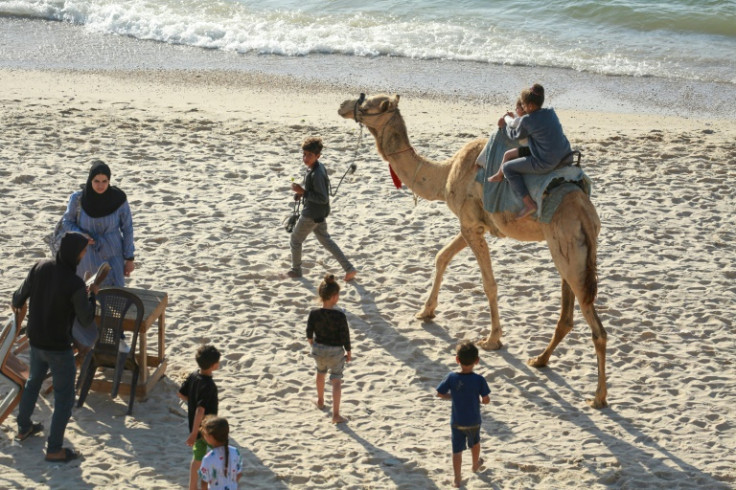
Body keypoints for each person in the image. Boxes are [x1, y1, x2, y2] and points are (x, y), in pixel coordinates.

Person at [11, 232, 100, 463]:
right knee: (64, 398)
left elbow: (17, 298)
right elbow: (86, 319)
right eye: (82, 252)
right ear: (74, 254)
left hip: (36, 340)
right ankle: (55, 449)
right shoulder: (75, 283)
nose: (83, 256)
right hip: (59, 348)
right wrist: (93, 297)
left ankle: (23, 427)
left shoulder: (39, 267)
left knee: (33, 383)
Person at [487, 84, 573, 219]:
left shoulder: (528, 120)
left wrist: (504, 124)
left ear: (531, 106)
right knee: (512, 154)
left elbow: (514, 135)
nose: (524, 108)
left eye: (525, 105)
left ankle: (529, 204)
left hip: (545, 161)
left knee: (508, 168)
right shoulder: (550, 112)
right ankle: (499, 175)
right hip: (565, 155)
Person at [287, 137, 357, 281]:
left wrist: (303, 192)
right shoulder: (316, 167)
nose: (305, 158)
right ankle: (349, 269)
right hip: (320, 213)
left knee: (295, 239)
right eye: (304, 154)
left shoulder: (316, 173)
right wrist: (302, 194)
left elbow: (323, 198)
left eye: (309, 155)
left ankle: (296, 270)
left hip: (312, 214)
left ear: (318, 156)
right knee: (326, 241)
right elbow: (317, 193)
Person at [62, 159, 135, 287]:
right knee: (88, 294)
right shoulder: (77, 199)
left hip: (114, 254)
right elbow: (67, 222)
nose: (100, 186)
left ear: (109, 181)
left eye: (104, 181)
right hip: (87, 255)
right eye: (96, 181)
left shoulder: (119, 199)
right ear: (90, 180)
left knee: (115, 294)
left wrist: (129, 258)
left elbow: (127, 228)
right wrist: (82, 235)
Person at [436, 341, 491, 488]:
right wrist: (481, 400)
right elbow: (486, 400)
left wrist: (452, 396)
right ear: (477, 361)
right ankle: (475, 465)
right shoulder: (479, 380)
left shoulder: (451, 377)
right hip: (474, 421)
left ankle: (457, 479)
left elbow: (440, 393)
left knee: (457, 451)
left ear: (457, 360)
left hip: (457, 422)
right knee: (475, 443)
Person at [306, 274, 352, 424]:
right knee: (336, 381)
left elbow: (309, 333)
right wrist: (348, 351)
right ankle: (336, 415)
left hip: (319, 350)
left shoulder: (314, 314)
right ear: (334, 296)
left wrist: (313, 344)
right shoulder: (340, 315)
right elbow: (345, 336)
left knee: (320, 374)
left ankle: (320, 401)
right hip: (335, 352)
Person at [178, 345, 221, 490]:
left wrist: (192, 401)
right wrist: (194, 433)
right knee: (219, 455)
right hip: (208, 429)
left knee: (197, 458)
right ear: (213, 365)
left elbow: (181, 394)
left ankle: (192, 487)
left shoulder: (193, 376)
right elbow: (200, 410)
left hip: (197, 429)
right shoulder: (209, 385)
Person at [198, 415, 243, 490]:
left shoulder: (208, 458)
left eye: (205, 434)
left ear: (211, 437)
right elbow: (239, 474)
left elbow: (204, 482)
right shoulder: (235, 451)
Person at [499, 98, 529, 165]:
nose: (515, 110)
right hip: (533, 147)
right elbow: (516, 119)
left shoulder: (522, 120)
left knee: (507, 155)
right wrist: (513, 115)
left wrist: (506, 116)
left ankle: (500, 173)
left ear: (523, 109)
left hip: (528, 149)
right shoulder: (530, 117)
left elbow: (511, 123)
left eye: (517, 108)